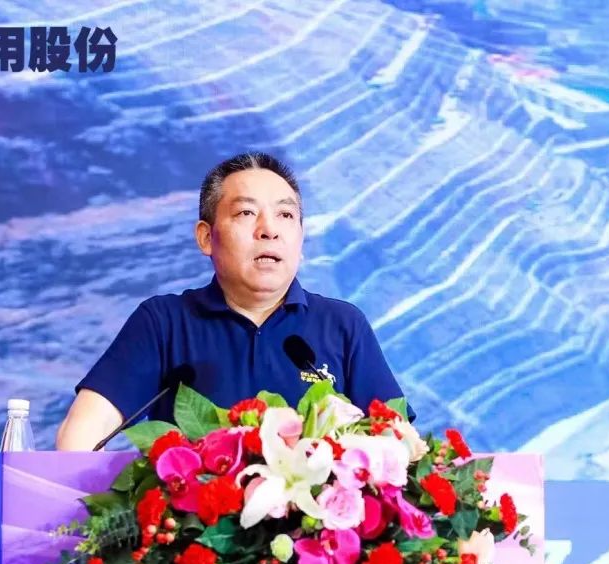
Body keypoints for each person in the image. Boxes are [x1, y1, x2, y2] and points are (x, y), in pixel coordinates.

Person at [55, 152, 409, 450]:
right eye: (246, 213)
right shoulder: (164, 322)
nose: (269, 230)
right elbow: (84, 431)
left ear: (301, 237)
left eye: (285, 215)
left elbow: (398, 444)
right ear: (206, 237)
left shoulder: (342, 324)